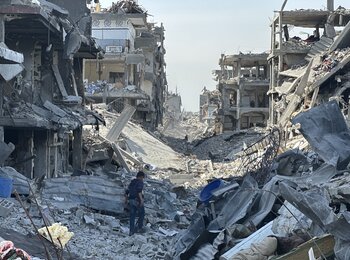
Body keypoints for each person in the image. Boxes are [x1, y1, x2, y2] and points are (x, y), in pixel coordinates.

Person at [125, 171, 145, 236]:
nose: (143, 179)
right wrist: (141, 200)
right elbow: (139, 191)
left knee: (132, 216)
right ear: (141, 177)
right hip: (137, 200)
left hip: (131, 200)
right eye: (143, 178)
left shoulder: (132, 182)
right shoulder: (140, 182)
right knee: (142, 213)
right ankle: (139, 228)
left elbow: (127, 192)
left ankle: (131, 231)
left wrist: (125, 200)